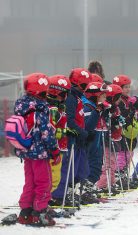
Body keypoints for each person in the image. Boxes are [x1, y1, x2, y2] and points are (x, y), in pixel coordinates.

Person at [15, 73, 60, 226]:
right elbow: (47, 132)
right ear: (39, 92)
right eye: (45, 91)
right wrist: (54, 150)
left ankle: (25, 211)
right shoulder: (40, 109)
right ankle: (40, 211)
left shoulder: (21, 106)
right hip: (40, 154)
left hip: (26, 152)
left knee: (30, 182)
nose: (47, 95)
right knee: (43, 182)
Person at [51, 68, 94, 205]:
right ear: (76, 83)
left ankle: (68, 191)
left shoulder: (77, 97)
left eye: (87, 85)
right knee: (67, 170)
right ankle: (58, 195)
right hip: (70, 139)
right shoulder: (70, 98)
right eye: (83, 85)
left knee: (81, 170)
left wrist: (85, 133)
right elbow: (69, 120)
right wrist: (82, 133)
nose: (85, 88)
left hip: (78, 139)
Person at [113, 75, 138, 188]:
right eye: (125, 87)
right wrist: (129, 113)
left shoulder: (128, 100)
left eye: (129, 87)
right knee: (122, 154)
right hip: (122, 131)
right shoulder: (118, 102)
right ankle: (118, 175)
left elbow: (132, 113)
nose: (128, 89)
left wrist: (136, 113)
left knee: (129, 154)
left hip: (131, 131)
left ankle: (124, 174)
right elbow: (121, 115)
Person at [47, 75, 71, 193]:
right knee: (53, 176)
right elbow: (51, 128)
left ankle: (47, 199)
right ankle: (45, 200)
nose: (66, 97)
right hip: (54, 148)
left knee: (57, 175)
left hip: (60, 146)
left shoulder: (59, 107)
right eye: (65, 93)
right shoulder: (53, 109)